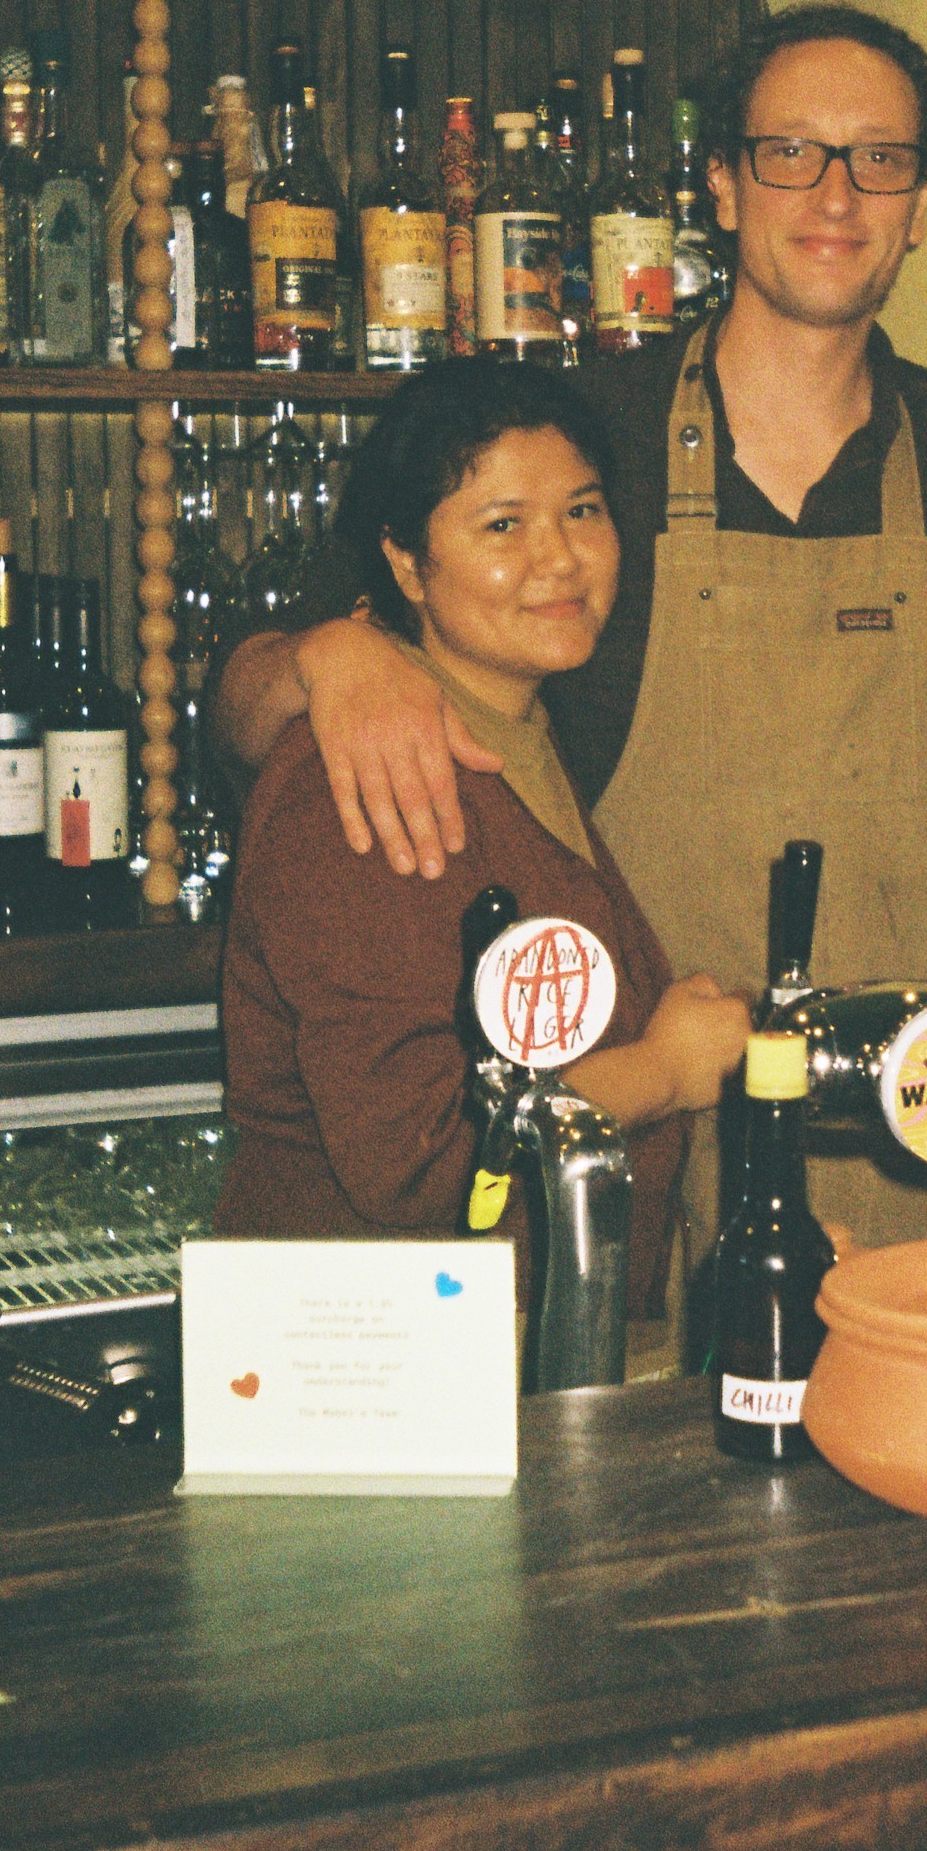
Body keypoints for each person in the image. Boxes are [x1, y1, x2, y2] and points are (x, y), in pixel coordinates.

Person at [217, 4, 927, 1255]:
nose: (837, 193)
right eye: (790, 152)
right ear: (723, 189)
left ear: (918, 204)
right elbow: (249, 698)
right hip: (639, 1157)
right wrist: (327, 657)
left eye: (881, 159)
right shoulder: (584, 448)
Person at [212, 359, 750, 1331]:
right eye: (501, 525)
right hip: (371, 1377)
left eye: (581, 512)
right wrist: (665, 1069)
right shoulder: (368, 779)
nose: (559, 559)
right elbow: (416, 1151)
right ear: (408, 564)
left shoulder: (523, 727)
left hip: (503, 1372)